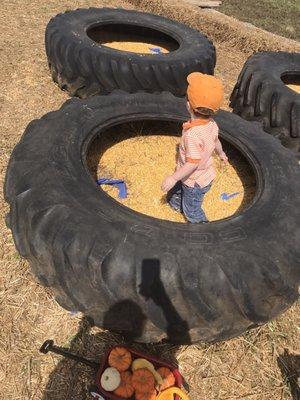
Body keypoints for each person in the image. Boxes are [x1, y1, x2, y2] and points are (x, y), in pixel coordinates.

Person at [161, 72, 228, 223]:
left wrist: (173, 177)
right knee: (175, 194)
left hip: (194, 182)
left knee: (192, 211)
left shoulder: (192, 135)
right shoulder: (212, 124)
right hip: (201, 175)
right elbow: (216, 141)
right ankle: (176, 206)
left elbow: (192, 163)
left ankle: (202, 227)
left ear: (188, 105)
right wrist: (221, 153)